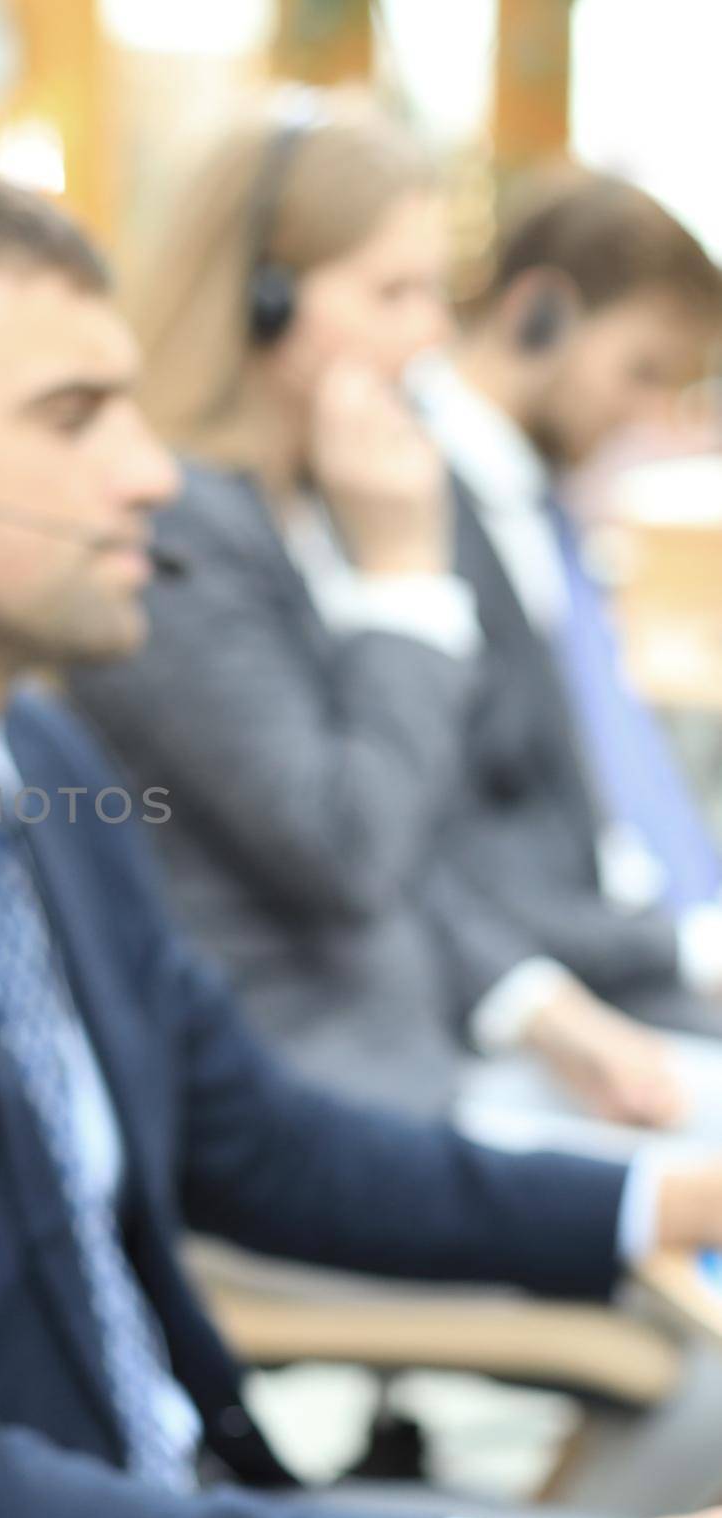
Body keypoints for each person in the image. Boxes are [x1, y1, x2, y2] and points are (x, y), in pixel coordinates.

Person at [0, 158, 722, 1518]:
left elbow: (255, 1141)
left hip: (181, 1517)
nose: (150, 470)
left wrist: (667, 1205)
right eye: (75, 416)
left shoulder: (38, 767)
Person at [69, 94, 713, 1135]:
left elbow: (416, 847)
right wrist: (405, 575)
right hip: (311, 1102)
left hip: (418, 1056)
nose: (430, 335)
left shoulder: (308, 509)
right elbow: (349, 848)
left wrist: (546, 1015)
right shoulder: (175, 533)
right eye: (392, 293)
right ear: (260, 298)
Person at [413, 168, 722, 1140]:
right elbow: (435, 846)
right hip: (530, 1007)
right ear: (537, 312)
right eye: (639, 372)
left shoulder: (541, 515)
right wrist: (680, 948)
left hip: (625, 964)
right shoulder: (409, 504)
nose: (645, 420)